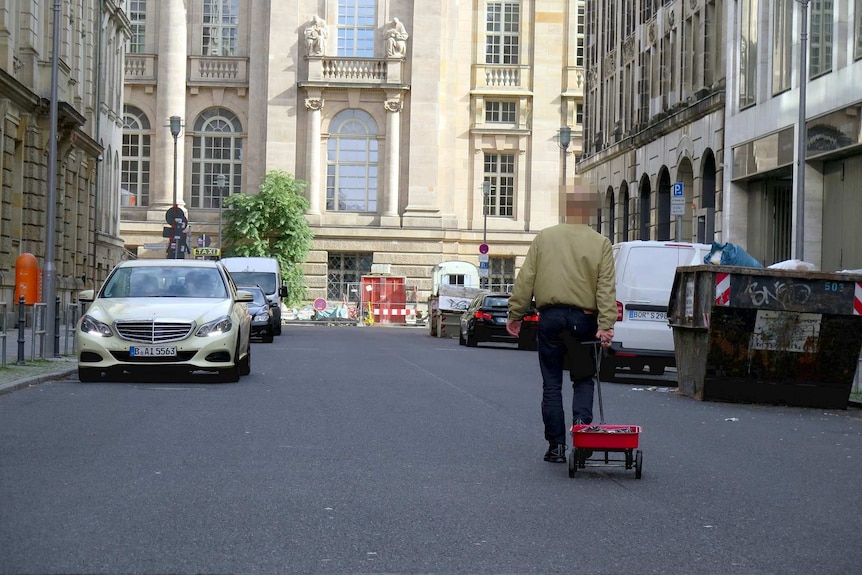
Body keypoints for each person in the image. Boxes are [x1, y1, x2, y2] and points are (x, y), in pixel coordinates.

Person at [506, 193, 617, 463]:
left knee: (552, 384)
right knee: (583, 378)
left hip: (550, 317)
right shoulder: (600, 243)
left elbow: (526, 279)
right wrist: (606, 325)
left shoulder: (545, 237)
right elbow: (605, 287)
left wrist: (516, 313)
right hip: (584, 318)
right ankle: (581, 430)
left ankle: (555, 446)